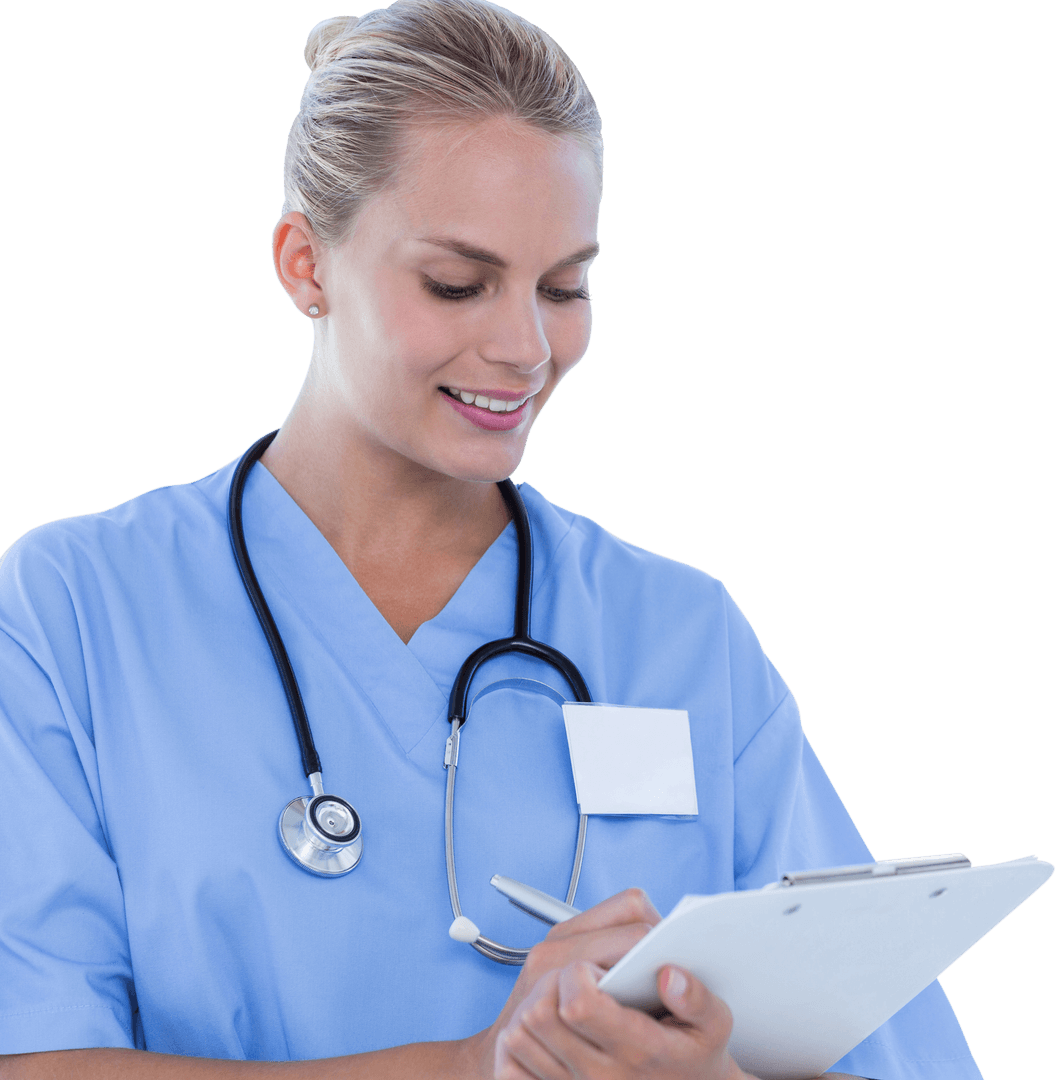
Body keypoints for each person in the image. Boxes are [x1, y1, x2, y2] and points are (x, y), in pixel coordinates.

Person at [0, 2, 984, 1077]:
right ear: (305, 263)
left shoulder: (679, 637)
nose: (525, 346)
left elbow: (896, 1056)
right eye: (458, 284)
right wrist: (479, 1068)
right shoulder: (73, 612)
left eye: (565, 286)